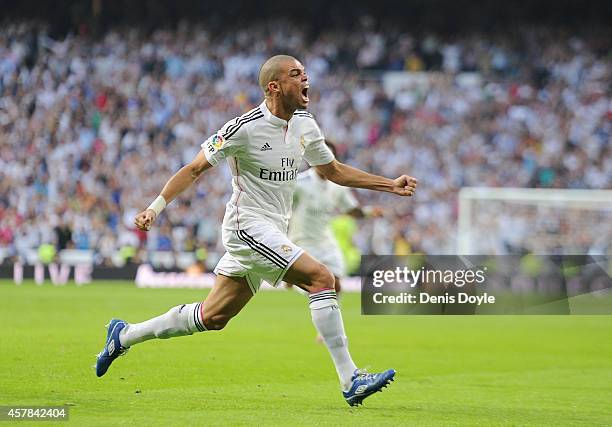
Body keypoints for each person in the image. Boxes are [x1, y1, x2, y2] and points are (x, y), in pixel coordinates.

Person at [95, 55, 418, 406]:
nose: (305, 78)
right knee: (323, 279)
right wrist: (154, 208)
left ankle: (124, 336)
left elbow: (333, 171)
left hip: (272, 228)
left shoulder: (305, 125)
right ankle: (350, 379)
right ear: (274, 87)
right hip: (245, 226)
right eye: (296, 74)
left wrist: (389, 185)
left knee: (212, 316)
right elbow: (193, 169)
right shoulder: (242, 128)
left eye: (304, 73)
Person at [288, 140, 383, 342]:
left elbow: (351, 209)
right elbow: (282, 206)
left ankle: (325, 329)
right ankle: (293, 281)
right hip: (302, 241)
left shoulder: (337, 187)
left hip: (325, 241)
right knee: (318, 286)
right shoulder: (300, 183)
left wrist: (367, 212)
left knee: (336, 285)